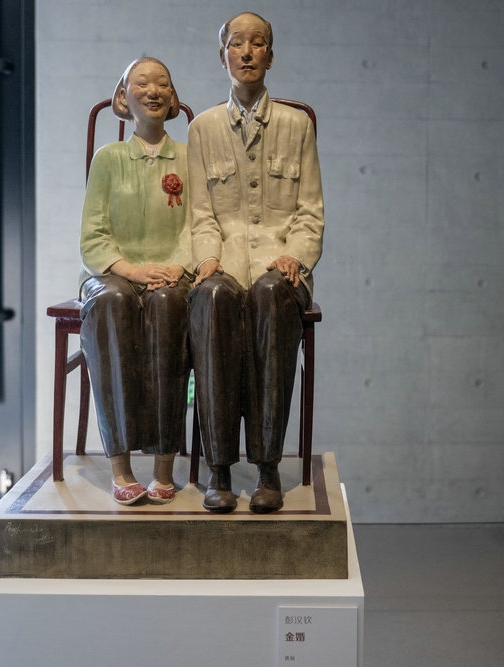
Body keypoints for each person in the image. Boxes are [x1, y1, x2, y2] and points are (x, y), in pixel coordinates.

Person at [187, 12, 324, 513]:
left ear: (271, 55)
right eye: (236, 44)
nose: (246, 53)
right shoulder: (202, 128)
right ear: (222, 54)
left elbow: (310, 213)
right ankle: (219, 469)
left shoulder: (296, 124)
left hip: (281, 269)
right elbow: (201, 216)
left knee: (269, 293)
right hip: (223, 266)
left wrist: (295, 256)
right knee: (213, 297)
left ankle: (267, 468)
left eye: (258, 43)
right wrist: (208, 259)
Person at [79, 57, 192, 505]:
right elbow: (93, 236)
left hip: (171, 275)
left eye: (163, 83)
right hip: (112, 274)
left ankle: (164, 467)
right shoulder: (108, 158)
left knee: (168, 305)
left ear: (172, 97)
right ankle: (120, 466)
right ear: (123, 98)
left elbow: (198, 226)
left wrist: (178, 266)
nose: (153, 90)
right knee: (113, 303)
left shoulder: (190, 158)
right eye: (141, 83)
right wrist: (129, 269)